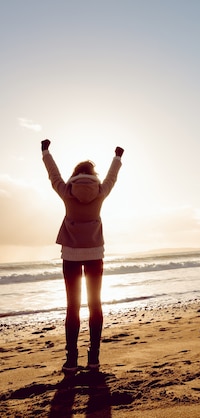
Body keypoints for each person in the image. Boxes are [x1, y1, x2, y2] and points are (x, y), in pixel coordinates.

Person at [41, 139, 124, 374]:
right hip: (95, 252)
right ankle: (94, 359)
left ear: (75, 174)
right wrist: (117, 158)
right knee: (95, 304)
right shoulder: (100, 191)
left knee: (72, 306)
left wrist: (46, 152)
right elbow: (112, 178)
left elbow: (53, 175)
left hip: (70, 254)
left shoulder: (67, 191)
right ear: (92, 174)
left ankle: (71, 360)